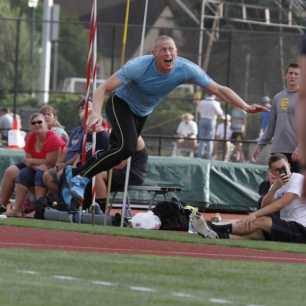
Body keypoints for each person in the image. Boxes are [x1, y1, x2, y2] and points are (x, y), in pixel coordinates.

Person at [65, 35, 268, 200]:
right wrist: (96, 113)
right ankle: (80, 176)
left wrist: (245, 106)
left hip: (142, 114)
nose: (168, 53)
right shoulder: (139, 66)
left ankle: (78, 177)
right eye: (163, 49)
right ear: (154, 54)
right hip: (121, 105)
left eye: (171, 49)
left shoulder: (186, 68)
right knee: (127, 147)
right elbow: (103, 88)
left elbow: (219, 89)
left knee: (120, 152)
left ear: (176, 53)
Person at [192, 154, 306, 243]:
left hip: (301, 228)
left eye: (284, 168)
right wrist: (274, 188)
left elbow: (280, 204)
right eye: (278, 170)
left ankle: (212, 227)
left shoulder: (298, 179)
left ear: (289, 166)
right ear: (272, 172)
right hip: (286, 227)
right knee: (255, 234)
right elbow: (264, 207)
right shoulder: (277, 185)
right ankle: (216, 236)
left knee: (261, 221)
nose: (282, 172)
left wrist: (255, 214)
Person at [5, 113, 65, 217]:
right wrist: (35, 164)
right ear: (31, 126)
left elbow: (50, 162)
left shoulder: (53, 138)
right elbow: (27, 160)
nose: (36, 124)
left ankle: (39, 209)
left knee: (40, 173)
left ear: (46, 124)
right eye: (34, 123)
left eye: (39, 122)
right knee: (22, 173)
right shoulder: (30, 137)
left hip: (53, 168)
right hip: (37, 167)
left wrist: (33, 162)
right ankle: (14, 209)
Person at [253, 63, 301, 172]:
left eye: (296, 74)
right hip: (278, 152)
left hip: (297, 153)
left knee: (295, 187)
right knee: (277, 186)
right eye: (290, 73)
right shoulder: (277, 97)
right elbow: (271, 126)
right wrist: (260, 145)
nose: (293, 76)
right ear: (286, 76)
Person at [196, 94, 225, 159]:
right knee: (210, 140)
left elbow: (198, 110)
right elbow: (220, 113)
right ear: (214, 96)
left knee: (201, 139)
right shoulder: (215, 103)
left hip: (202, 119)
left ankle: (199, 156)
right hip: (211, 120)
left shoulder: (202, 102)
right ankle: (209, 156)